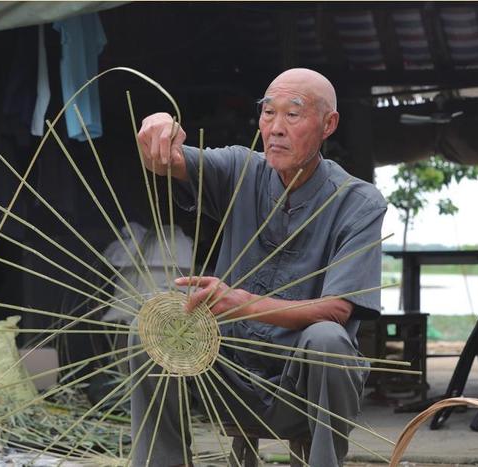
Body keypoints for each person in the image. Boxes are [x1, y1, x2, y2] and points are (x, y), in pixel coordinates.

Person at [129, 68, 386, 466]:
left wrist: (242, 303)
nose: (276, 128)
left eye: (293, 115)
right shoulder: (239, 169)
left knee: (329, 341)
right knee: (149, 328)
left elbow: (338, 310)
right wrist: (158, 129)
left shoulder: (358, 201)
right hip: (226, 375)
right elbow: (170, 161)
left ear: (328, 124)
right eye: (268, 113)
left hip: (298, 388)